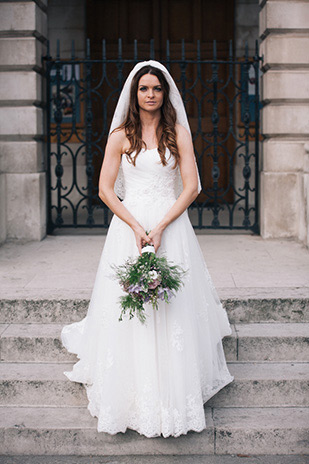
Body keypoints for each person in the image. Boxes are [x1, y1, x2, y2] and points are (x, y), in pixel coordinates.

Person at [61, 60, 234, 438]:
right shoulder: (120, 135)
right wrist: (137, 226)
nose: (150, 94)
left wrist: (162, 226)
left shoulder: (179, 134)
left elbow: (191, 187)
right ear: (134, 94)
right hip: (130, 226)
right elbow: (106, 190)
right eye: (144, 89)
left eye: (156, 88)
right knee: (128, 306)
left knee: (174, 304)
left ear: (164, 92)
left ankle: (175, 386)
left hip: (170, 225)